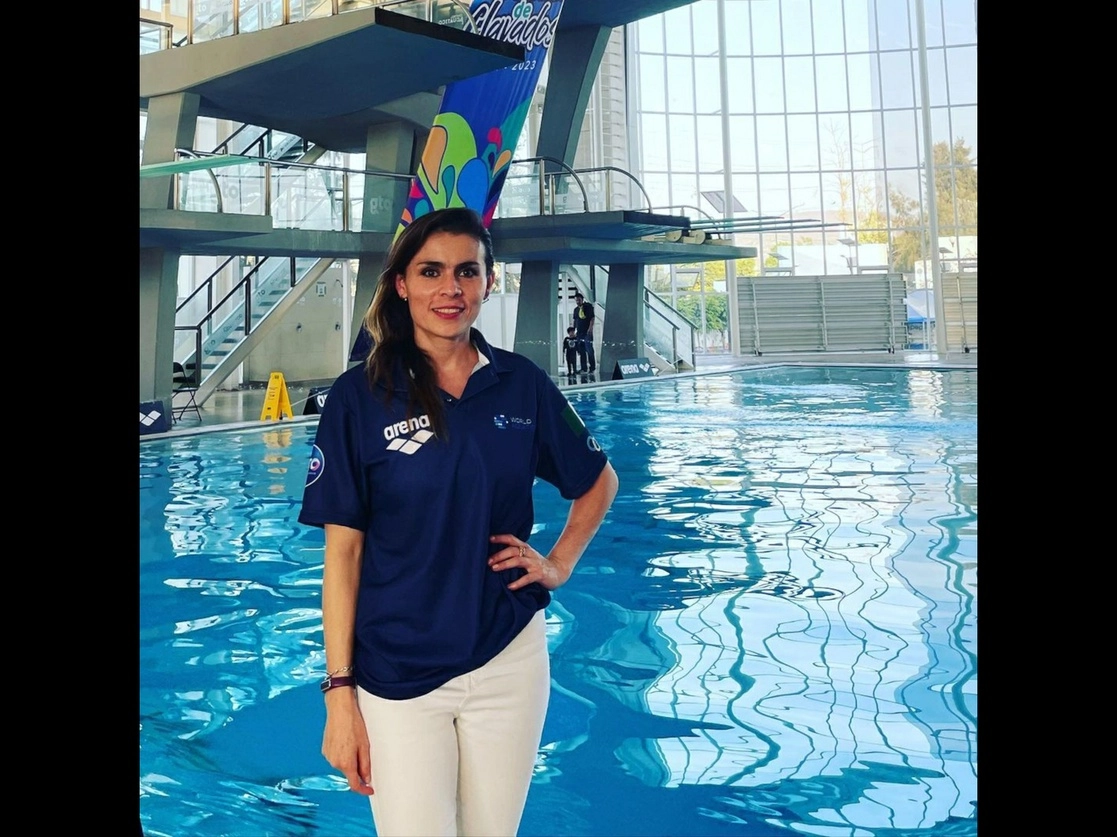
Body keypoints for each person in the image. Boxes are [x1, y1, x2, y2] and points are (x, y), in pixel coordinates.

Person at [297, 207, 619, 837]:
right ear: (401, 284)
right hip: (398, 667)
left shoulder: (520, 384)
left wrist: (558, 564)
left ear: (488, 282)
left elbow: (598, 480)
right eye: (431, 271)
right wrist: (340, 693)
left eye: (467, 272)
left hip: (508, 656)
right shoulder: (359, 397)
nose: (451, 288)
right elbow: (344, 557)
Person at [572, 291, 596, 373]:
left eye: (579, 300)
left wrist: (590, 328)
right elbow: (575, 321)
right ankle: (583, 368)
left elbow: (592, 318)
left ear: (582, 299)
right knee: (581, 351)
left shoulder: (588, 307)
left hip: (587, 332)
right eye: (576, 300)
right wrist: (574, 331)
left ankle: (592, 367)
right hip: (579, 333)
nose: (577, 302)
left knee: (589, 349)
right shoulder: (576, 310)